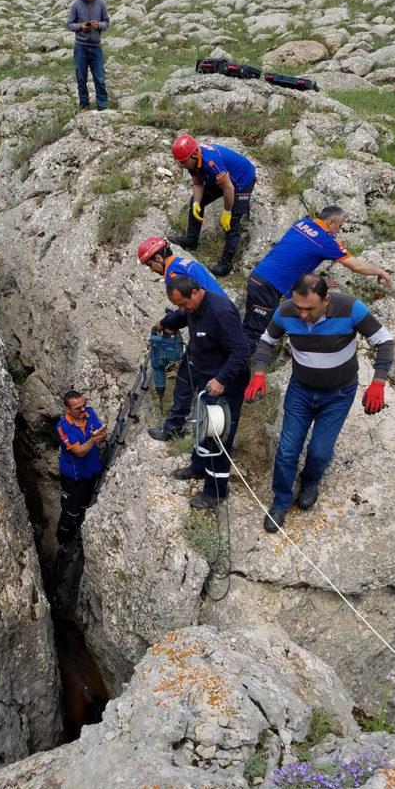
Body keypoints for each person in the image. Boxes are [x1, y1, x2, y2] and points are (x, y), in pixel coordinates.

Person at [245, 274, 394, 533]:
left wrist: (378, 382)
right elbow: (268, 342)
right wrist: (259, 372)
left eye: (310, 309)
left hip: (338, 395)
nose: (302, 315)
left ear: (326, 300)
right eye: (298, 307)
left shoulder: (350, 308)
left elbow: (384, 341)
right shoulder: (286, 311)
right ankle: (280, 502)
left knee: (320, 451)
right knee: (288, 450)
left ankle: (310, 482)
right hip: (300, 391)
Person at [243, 205, 393, 353]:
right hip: (269, 286)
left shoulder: (302, 223)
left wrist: (316, 285)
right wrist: (379, 271)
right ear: (331, 223)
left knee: (248, 326)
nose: (339, 231)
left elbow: (297, 259)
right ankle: (238, 368)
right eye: (339, 226)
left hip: (258, 277)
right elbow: (357, 266)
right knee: (255, 335)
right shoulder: (326, 242)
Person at [160, 276, 251, 509]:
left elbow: (241, 350)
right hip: (206, 377)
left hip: (226, 384)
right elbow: (182, 316)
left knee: (219, 436)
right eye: (177, 305)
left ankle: (215, 492)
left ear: (195, 293)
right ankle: (198, 467)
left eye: (183, 303)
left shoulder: (220, 312)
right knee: (202, 425)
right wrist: (164, 322)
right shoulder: (192, 307)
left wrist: (222, 379)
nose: (182, 309)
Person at [138, 236, 227, 441]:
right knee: (192, 378)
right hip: (213, 324)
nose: (151, 269)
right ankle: (194, 427)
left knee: (191, 380)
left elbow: (189, 308)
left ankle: (186, 429)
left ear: (159, 258)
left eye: (150, 264)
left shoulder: (173, 274)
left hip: (209, 329)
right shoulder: (184, 263)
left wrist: (166, 322)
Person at [170, 133, 256, 278]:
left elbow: (229, 189)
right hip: (224, 180)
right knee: (195, 201)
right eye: (179, 162)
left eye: (183, 162)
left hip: (242, 180)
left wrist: (227, 211)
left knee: (232, 222)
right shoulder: (192, 159)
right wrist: (197, 203)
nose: (181, 165)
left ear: (194, 155)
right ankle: (191, 241)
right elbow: (197, 183)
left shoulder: (211, 163)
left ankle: (225, 264)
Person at [55, 390, 107, 552]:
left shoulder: (90, 414)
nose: (83, 409)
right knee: (71, 511)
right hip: (74, 478)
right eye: (78, 408)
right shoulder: (63, 427)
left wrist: (101, 436)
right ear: (68, 410)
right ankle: (63, 541)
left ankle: (79, 532)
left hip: (91, 471)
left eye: (83, 405)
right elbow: (79, 451)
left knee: (84, 506)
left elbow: (101, 434)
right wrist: (94, 439)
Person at [66, 0, 110, 112]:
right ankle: (84, 105)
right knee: (81, 77)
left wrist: (99, 25)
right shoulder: (76, 5)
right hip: (81, 47)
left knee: (100, 78)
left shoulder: (101, 4)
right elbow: (69, 24)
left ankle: (102, 106)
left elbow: (107, 22)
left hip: (96, 47)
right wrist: (80, 26)